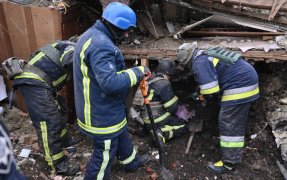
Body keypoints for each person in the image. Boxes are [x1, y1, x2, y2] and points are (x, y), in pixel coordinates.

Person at [73, 2, 150, 179]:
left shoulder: (93, 36)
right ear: (115, 25)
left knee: (121, 134)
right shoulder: (101, 45)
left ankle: (131, 162)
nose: (126, 34)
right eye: (126, 30)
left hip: (103, 107)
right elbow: (109, 83)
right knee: (104, 155)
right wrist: (136, 72)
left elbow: (105, 74)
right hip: (100, 114)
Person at [176, 42, 260, 174]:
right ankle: (229, 149)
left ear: (187, 62)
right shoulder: (206, 54)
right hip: (247, 79)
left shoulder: (198, 63)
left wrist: (203, 101)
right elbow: (214, 77)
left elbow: (212, 91)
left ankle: (229, 164)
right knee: (231, 118)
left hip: (239, 86)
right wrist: (200, 91)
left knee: (228, 121)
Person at [2, 40, 79, 175]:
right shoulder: (72, 49)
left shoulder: (69, 44)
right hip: (32, 82)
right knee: (49, 122)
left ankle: (65, 142)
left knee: (59, 111)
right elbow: (70, 60)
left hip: (38, 81)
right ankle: (58, 165)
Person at [141, 59, 188, 146]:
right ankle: (161, 133)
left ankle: (151, 130)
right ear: (169, 73)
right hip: (157, 119)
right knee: (183, 126)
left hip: (146, 118)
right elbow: (172, 108)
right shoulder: (163, 83)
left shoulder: (150, 79)